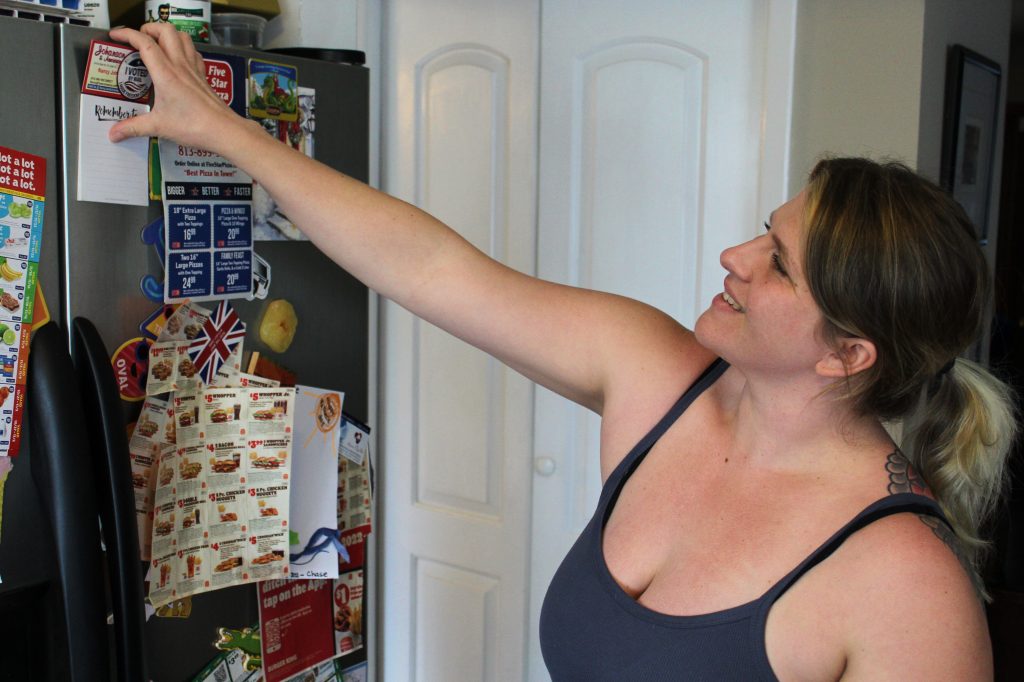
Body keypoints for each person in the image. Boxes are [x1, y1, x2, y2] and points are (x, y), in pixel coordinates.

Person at [109, 23, 1017, 680]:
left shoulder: (907, 589)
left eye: (777, 265)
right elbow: (429, 267)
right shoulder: (655, 373)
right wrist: (225, 133)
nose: (734, 259)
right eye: (761, 231)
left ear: (846, 355)